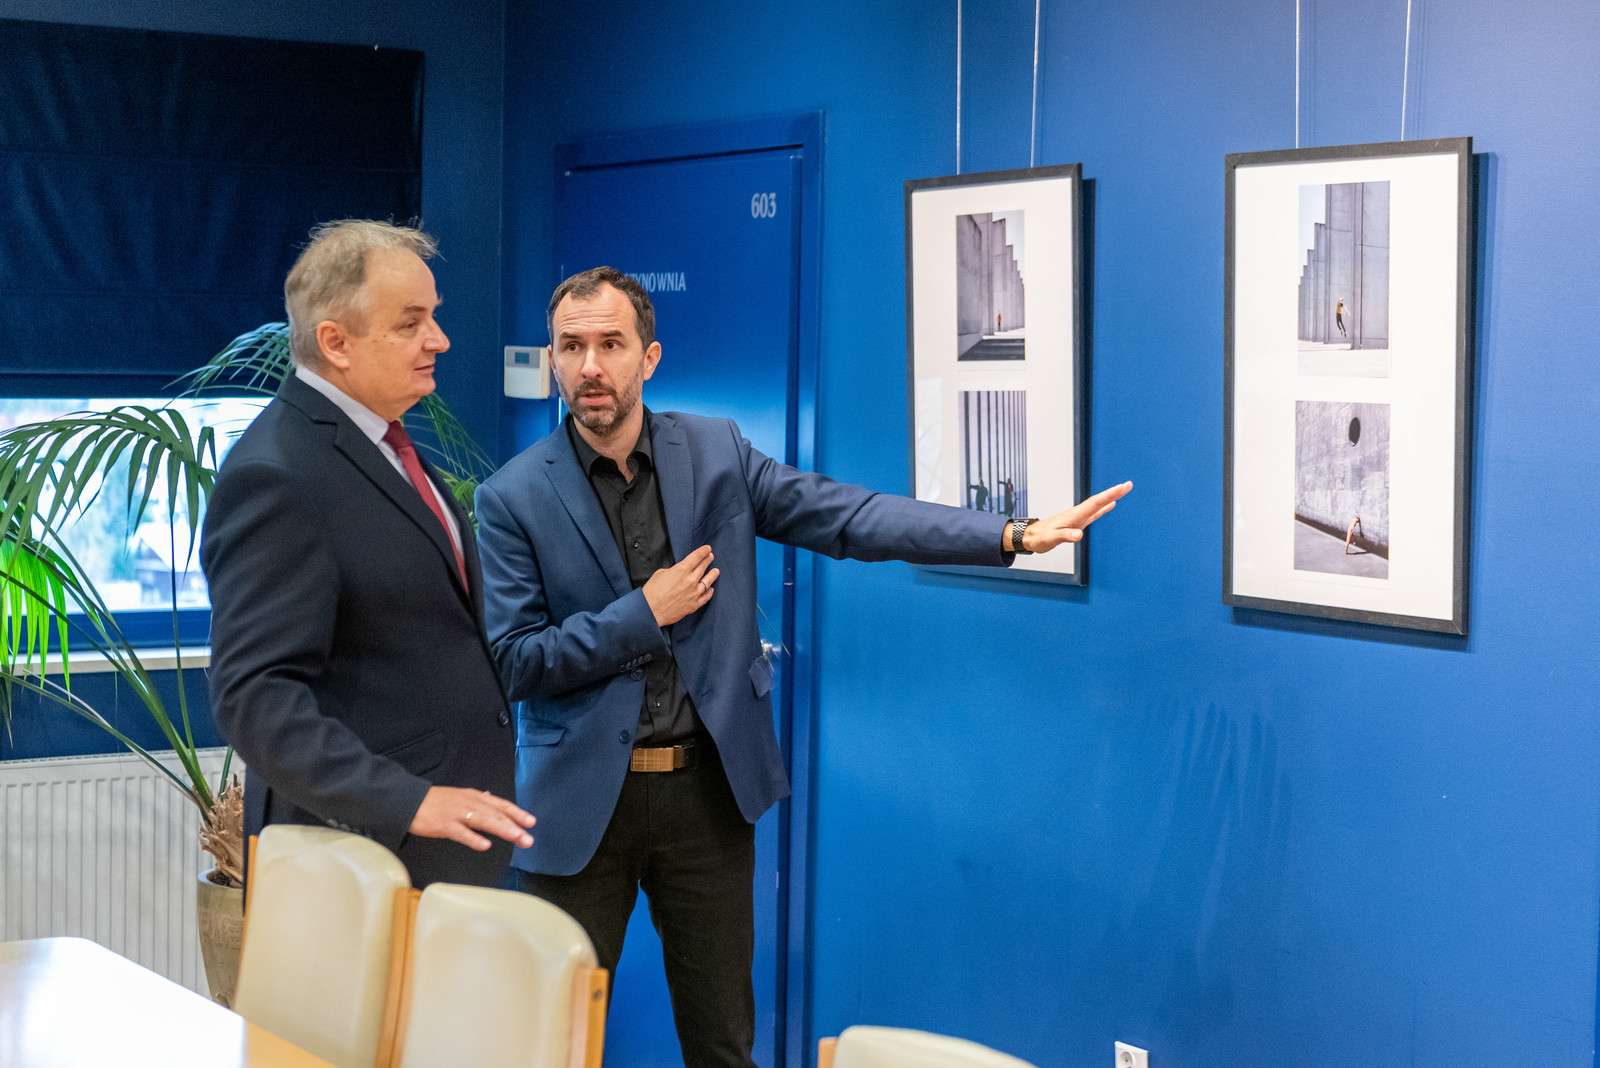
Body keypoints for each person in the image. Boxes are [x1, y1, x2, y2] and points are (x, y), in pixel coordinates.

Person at [475, 267, 1131, 1067]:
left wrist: (1009, 535)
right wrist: (645, 612)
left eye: (610, 344)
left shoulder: (714, 451)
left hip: (706, 796)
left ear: (649, 357)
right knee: (542, 1044)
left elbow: (846, 516)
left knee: (723, 1044)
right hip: (578, 810)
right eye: (571, 346)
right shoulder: (511, 497)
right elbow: (516, 660)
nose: (589, 367)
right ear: (551, 357)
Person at [201, 220, 534, 890]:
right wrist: (408, 800)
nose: (438, 339)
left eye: (433, 316)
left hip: (436, 849)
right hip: (362, 858)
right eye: (411, 323)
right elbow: (254, 697)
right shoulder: (277, 474)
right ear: (336, 343)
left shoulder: (382, 444)